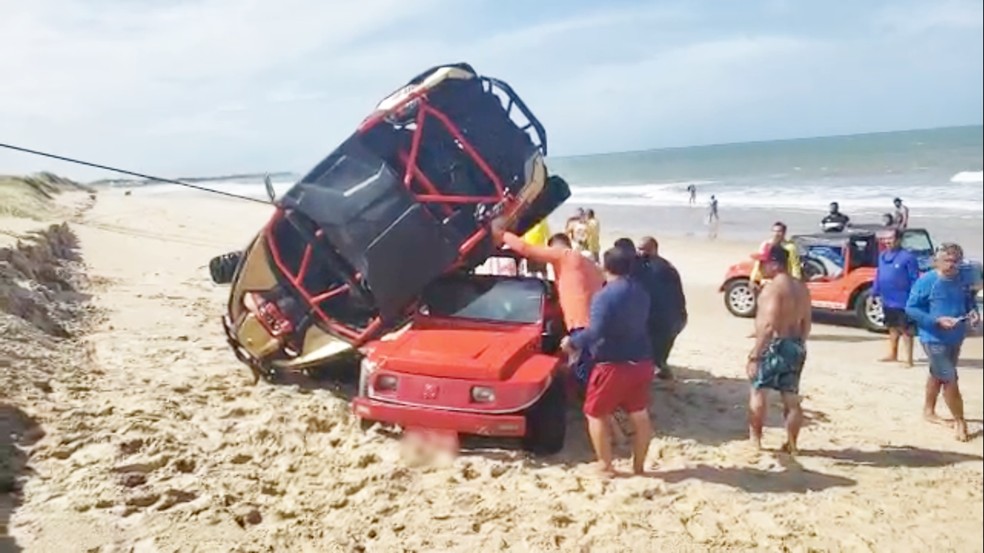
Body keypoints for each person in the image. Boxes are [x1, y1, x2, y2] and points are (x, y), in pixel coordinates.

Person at [561, 247, 654, 476]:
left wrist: (572, 342)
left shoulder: (605, 295)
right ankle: (639, 467)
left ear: (604, 267)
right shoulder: (641, 291)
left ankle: (605, 464)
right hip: (641, 360)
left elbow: (596, 331)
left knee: (595, 413)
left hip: (613, 363)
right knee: (639, 414)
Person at [494, 226, 605, 387]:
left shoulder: (563, 255)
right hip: (595, 322)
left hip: (580, 322)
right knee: (589, 365)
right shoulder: (588, 263)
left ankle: (588, 406)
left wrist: (502, 234)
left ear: (553, 247)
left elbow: (526, 249)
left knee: (582, 370)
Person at [905, 242, 980, 442]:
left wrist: (973, 313)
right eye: (947, 260)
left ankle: (928, 411)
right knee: (949, 377)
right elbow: (911, 308)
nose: (952, 264)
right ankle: (960, 421)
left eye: (956, 260)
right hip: (933, 337)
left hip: (956, 336)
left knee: (937, 373)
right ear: (936, 261)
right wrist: (935, 320)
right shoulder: (927, 281)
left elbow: (969, 301)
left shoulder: (963, 278)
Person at [746, 244, 812, 453]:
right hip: (795, 344)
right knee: (791, 397)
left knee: (758, 393)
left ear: (775, 265)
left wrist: (756, 354)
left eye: (763, 263)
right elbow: (806, 324)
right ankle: (792, 443)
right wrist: (798, 343)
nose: (760, 266)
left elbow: (768, 325)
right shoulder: (801, 288)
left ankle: (755, 441)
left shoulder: (772, 289)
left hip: (774, 344)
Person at [638, 237, 687, 380]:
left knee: (651, 353)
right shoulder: (666, 266)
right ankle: (661, 368)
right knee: (659, 355)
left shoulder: (651, 269)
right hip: (677, 318)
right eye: (638, 249)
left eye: (642, 249)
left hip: (665, 320)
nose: (639, 252)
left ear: (653, 250)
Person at [873, 228, 920, 366]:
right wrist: (875, 291)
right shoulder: (882, 256)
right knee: (892, 327)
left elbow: (914, 279)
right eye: (885, 238)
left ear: (899, 240)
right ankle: (893, 354)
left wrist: (915, 297)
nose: (887, 241)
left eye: (891, 238)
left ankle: (909, 360)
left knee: (906, 329)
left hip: (903, 299)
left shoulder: (908, 257)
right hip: (887, 298)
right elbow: (879, 274)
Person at [750, 222, 802, 287]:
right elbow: (759, 263)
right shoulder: (765, 245)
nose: (776, 234)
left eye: (779, 231)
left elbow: (795, 265)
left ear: (784, 233)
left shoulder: (790, 247)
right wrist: (754, 279)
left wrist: (796, 281)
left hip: (783, 281)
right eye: (774, 231)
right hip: (766, 281)